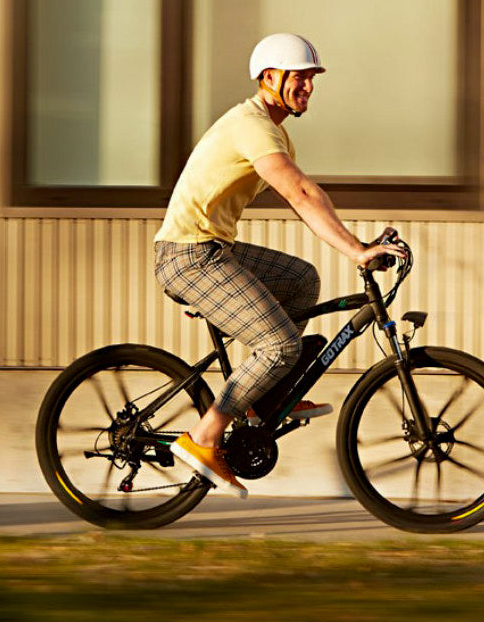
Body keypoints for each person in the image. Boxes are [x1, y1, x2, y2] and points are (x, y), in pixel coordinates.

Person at [154, 33, 405, 498]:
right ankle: (205, 438)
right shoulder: (252, 125)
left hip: (212, 251)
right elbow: (302, 194)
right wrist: (357, 251)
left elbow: (307, 197)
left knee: (300, 279)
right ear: (269, 78)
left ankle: (266, 397)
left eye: (312, 80)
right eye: (300, 78)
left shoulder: (273, 129)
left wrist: (356, 241)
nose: (308, 87)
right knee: (279, 346)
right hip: (189, 256)